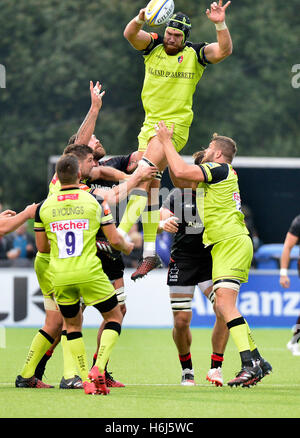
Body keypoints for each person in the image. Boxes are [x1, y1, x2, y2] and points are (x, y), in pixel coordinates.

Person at [117, 1, 233, 282]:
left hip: (173, 128)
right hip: (148, 126)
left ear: (185, 37)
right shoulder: (154, 44)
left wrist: (220, 23)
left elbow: (224, 51)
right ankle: (148, 253)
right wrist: (140, 19)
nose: (171, 39)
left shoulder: (195, 54)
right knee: (150, 185)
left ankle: (120, 232)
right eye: (169, 33)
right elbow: (130, 35)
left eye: (177, 36)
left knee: (142, 173)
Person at [155, 121, 272, 387]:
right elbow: (180, 177)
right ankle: (257, 362)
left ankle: (250, 363)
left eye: (209, 148)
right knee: (221, 306)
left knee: (224, 307)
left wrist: (165, 141)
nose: (206, 151)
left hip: (230, 242)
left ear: (218, 154)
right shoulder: (213, 180)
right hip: (222, 245)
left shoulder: (219, 169)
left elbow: (182, 169)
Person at [16, 154, 134, 395]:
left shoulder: (43, 207)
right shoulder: (95, 201)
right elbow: (113, 240)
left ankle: (83, 379)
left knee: (71, 325)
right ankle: (98, 367)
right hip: (89, 272)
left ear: (56, 178)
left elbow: (43, 248)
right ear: (80, 175)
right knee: (114, 316)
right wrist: (127, 246)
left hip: (59, 274)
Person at [158, 181, 229, 387]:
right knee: (181, 321)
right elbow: (160, 214)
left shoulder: (218, 192)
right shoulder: (178, 193)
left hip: (210, 261)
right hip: (183, 260)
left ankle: (216, 367)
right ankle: (187, 369)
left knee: (224, 310)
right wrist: (163, 223)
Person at [279, 214, 300, 356]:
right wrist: (283, 273)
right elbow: (287, 246)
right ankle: (294, 340)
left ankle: (294, 340)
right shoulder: (299, 221)